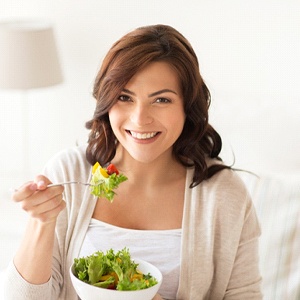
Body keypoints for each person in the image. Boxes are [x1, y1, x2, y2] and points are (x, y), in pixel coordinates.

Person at [3, 24, 262, 299]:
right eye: (125, 97)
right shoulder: (68, 172)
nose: (140, 119)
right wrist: (42, 222)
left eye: (161, 99)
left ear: (188, 107)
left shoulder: (224, 196)